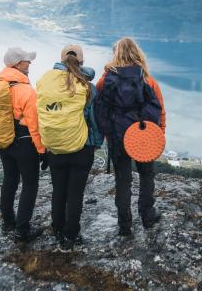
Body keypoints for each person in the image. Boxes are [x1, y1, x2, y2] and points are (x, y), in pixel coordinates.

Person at [95, 37, 166, 237]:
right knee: (146, 175)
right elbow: (159, 111)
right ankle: (147, 215)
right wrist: (158, 136)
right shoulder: (148, 80)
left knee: (123, 180)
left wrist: (108, 134)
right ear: (138, 54)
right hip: (143, 137)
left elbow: (101, 109)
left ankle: (124, 225)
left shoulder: (106, 80)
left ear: (115, 55)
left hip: (117, 137)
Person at [36, 44, 103, 251]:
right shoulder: (88, 87)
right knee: (75, 194)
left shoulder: (46, 82)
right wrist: (97, 142)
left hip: (55, 148)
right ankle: (71, 236)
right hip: (81, 148)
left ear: (61, 59)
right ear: (81, 61)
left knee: (59, 190)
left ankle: (57, 227)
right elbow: (95, 120)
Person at [0, 47, 45, 242]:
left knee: (9, 179)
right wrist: (42, 151)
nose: (30, 63)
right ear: (17, 64)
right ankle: (22, 230)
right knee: (30, 185)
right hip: (25, 143)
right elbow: (34, 125)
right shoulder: (25, 90)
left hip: (5, 140)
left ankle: (8, 222)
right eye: (26, 60)